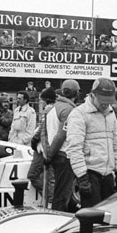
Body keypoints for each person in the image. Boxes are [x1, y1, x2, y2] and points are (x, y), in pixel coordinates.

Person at [64, 77, 117, 208]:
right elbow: (74, 148)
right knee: (92, 219)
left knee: (109, 216)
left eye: (108, 101)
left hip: (108, 174)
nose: (105, 104)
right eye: (102, 101)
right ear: (92, 95)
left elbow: (116, 144)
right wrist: (82, 177)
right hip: (90, 174)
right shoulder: (79, 114)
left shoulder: (110, 113)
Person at [43, 80, 80, 212]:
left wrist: (47, 154)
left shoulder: (53, 107)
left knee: (63, 192)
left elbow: (44, 133)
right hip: (63, 155)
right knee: (62, 194)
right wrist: (50, 154)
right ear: (75, 93)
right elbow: (61, 136)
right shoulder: (69, 110)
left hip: (55, 154)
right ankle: (57, 221)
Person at [27, 87, 57, 198]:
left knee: (33, 175)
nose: (40, 102)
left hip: (42, 148)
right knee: (49, 178)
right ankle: (49, 198)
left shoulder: (48, 110)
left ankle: (48, 198)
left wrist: (34, 142)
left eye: (41, 99)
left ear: (46, 99)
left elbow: (42, 129)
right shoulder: (54, 109)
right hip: (49, 147)